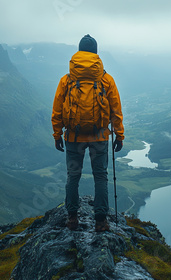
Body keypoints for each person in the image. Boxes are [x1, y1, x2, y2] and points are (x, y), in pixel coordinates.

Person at [51, 34, 125, 232]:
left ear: (78, 52)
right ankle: (101, 221)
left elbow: (57, 109)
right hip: (99, 137)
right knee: (100, 177)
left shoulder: (66, 80)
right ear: (96, 54)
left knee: (72, 176)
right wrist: (119, 134)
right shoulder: (106, 80)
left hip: (74, 137)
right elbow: (116, 109)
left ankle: (72, 219)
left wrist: (57, 135)